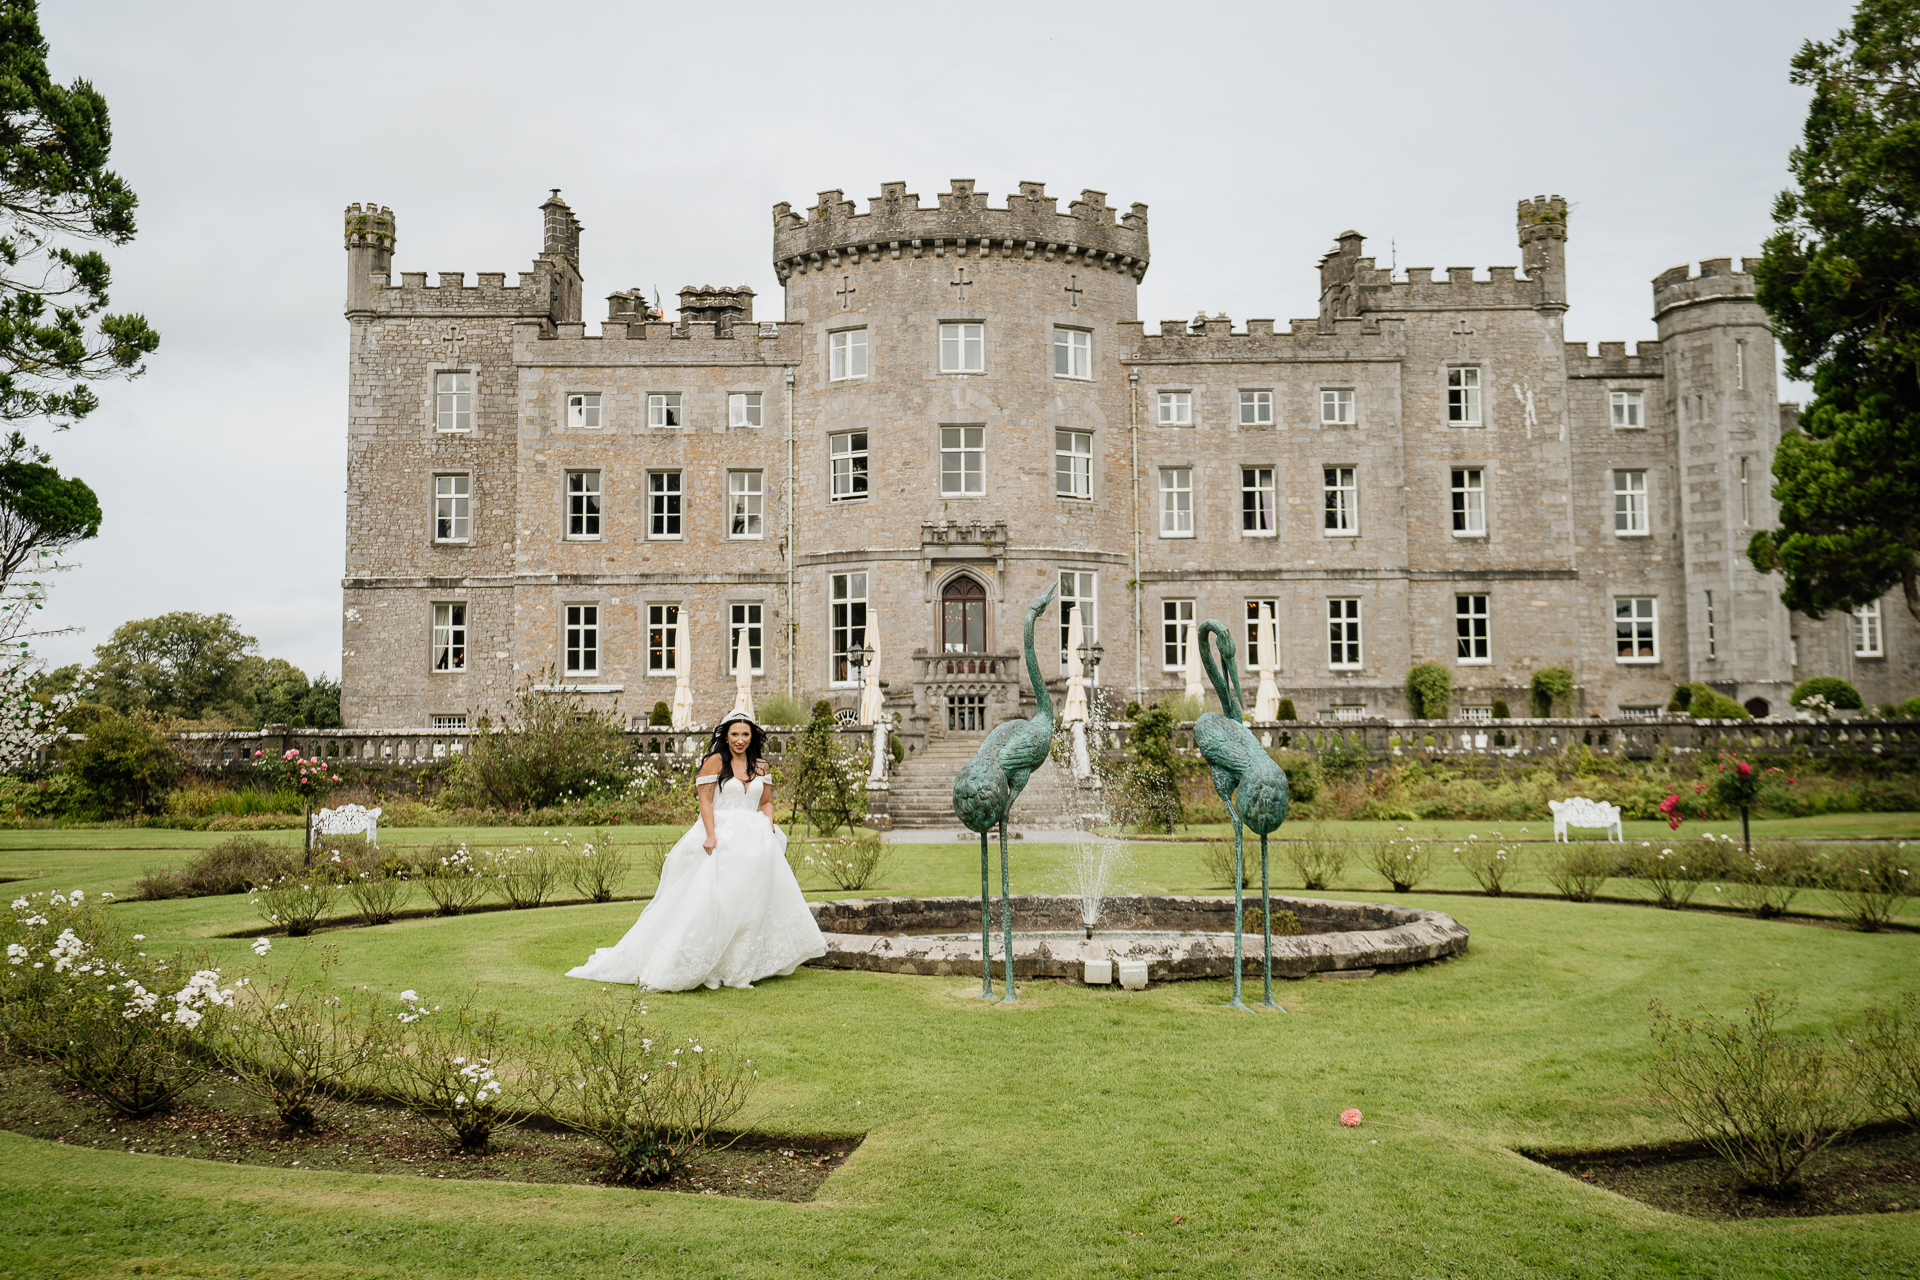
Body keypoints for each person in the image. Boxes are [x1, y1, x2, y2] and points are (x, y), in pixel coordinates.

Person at [566, 710, 826, 990]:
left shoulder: (760, 766)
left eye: (745, 734)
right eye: (735, 734)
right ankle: (707, 962)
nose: (740, 740)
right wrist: (711, 835)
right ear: (725, 735)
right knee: (721, 902)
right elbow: (705, 801)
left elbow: (766, 802)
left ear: (753, 736)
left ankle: (740, 968)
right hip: (724, 836)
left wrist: (769, 825)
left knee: (753, 905)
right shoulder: (714, 762)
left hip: (756, 841)